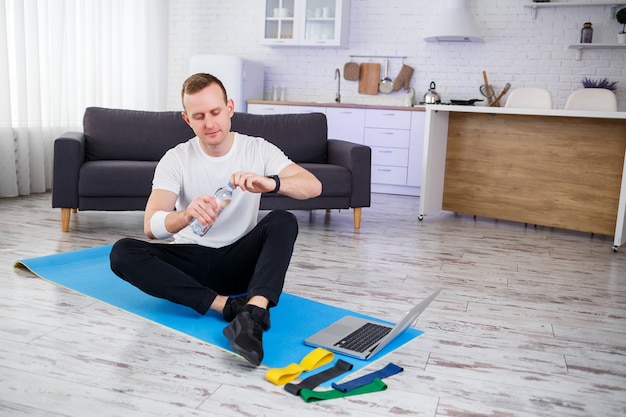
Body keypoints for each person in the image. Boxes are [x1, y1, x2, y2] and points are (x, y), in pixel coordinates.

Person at [109, 73, 322, 366]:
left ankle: (254, 313)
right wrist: (186, 214)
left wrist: (271, 182)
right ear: (187, 119)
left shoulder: (257, 148)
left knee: (283, 220)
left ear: (230, 108)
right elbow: (151, 227)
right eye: (199, 116)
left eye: (215, 112)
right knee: (122, 252)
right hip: (189, 263)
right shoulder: (176, 158)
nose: (209, 123)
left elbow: (313, 186)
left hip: (239, 262)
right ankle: (230, 307)